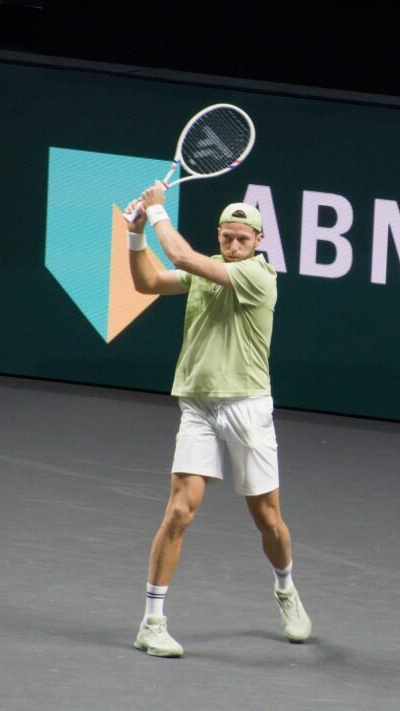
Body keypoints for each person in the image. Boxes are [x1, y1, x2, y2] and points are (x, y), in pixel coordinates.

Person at [123, 185, 311, 658]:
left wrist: (157, 208)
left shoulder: (258, 277)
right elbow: (147, 283)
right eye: (226, 238)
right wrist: (135, 235)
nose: (232, 246)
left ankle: (285, 588)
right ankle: (152, 622)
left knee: (268, 520)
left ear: (258, 242)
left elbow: (182, 256)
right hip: (199, 406)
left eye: (241, 240)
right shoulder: (206, 270)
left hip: (247, 408)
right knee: (179, 511)